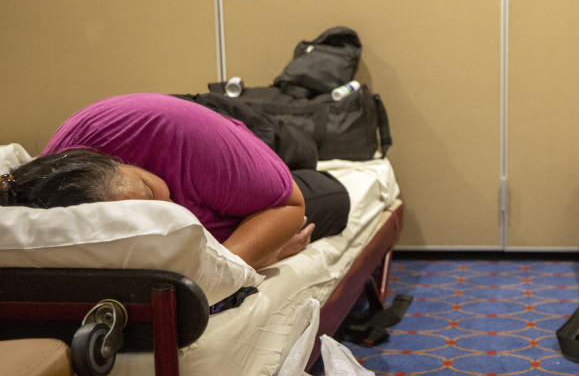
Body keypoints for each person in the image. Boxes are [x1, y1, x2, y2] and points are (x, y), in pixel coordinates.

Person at [0, 93, 350, 269]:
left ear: (118, 160)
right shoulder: (57, 196)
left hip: (224, 125)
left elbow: (290, 203)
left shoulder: (185, 139)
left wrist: (250, 260)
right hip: (191, 151)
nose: (173, 214)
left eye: (153, 193)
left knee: (324, 182)